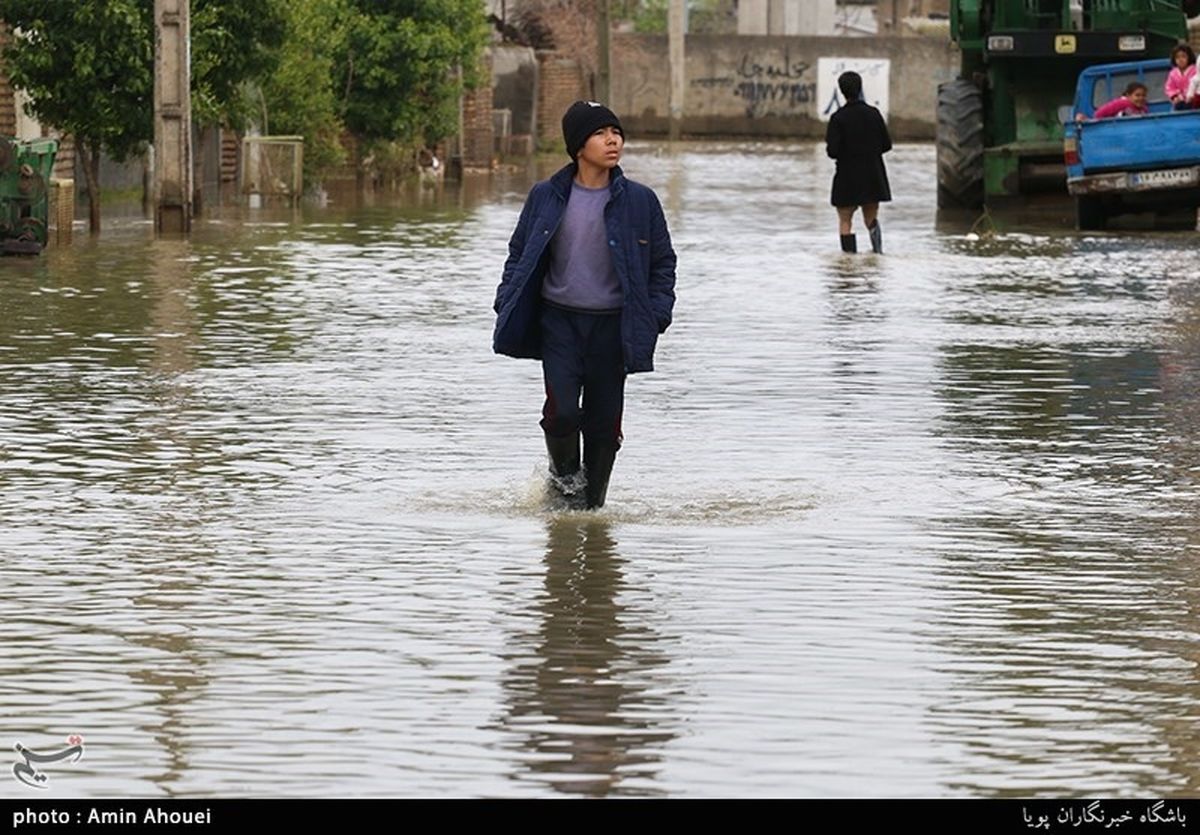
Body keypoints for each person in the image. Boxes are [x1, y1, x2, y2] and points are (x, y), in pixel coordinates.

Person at [492, 101, 677, 510]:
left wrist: (657, 314)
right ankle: (565, 486)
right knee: (560, 415)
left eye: (617, 132)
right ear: (578, 146)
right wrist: (506, 299)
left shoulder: (640, 202)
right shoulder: (546, 196)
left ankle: (591, 510)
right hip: (559, 322)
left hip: (613, 328)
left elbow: (663, 265)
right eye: (600, 133)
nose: (613, 141)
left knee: (604, 427)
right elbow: (519, 252)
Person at [825, 70, 892, 254]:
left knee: (845, 220)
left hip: (847, 176)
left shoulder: (838, 118)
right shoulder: (874, 114)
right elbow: (886, 145)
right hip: (872, 175)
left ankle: (848, 263)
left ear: (842, 91)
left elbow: (832, 152)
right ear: (860, 87)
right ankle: (878, 254)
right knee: (871, 219)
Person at [1165, 43, 1196, 109]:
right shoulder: (1172, 73)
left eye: (1183, 56)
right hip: (1179, 102)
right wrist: (1175, 96)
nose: (1180, 59)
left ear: (1189, 57)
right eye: (1177, 57)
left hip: (1193, 102)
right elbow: (1169, 88)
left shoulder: (1195, 71)